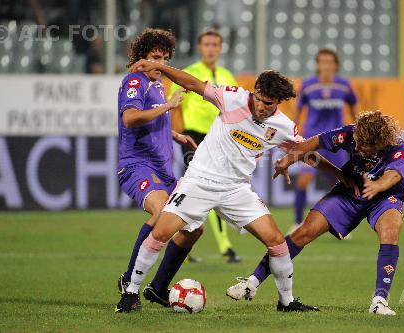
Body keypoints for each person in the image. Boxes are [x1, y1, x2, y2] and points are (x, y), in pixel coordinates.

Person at [115, 58, 321, 313]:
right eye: (258, 98)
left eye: (268, 103)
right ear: (254, 91)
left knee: (277, 241)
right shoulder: (232, 98)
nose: (260, 105)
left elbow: (309, 152)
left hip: (236, 189)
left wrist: (339, 175)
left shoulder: (283, 126)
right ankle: (131, 291)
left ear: (277, 103)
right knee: (160, 233)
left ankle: (287, 302)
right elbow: (192, 83)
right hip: (199, 182)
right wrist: (163, 69)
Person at [226, 111, 404, 316]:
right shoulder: (350, 133)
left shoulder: (399, 149)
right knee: (303, 232)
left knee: (390, 232)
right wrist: (287, 161)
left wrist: (378, 186)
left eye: (363, 146)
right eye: (356, 142)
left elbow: (394, 175)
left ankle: (379, 301)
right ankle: (251, 282)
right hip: (350, 192)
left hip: (385, 197)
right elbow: (312, 144)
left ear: (379, 143)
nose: (357, 147)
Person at [115, 28, 201, 312]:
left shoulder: (158, 82)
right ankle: (129, 283)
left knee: (193, 227)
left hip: (163, 170)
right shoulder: (135, 81)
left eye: (164, 58)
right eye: (155, 57)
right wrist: (168, 106)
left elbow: (152, 121)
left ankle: (159, 287)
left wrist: (175, 135)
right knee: (163, 212)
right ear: (142, 57)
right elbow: (129, 119)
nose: (160, 64)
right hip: (137, 166)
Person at [169, 29, 241, 263]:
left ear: (220, 48)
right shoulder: (188, 74)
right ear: (200, 48)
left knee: (212, 188)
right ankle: (221, 246)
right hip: (193, 138)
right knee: (199, 187)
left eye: (215, 45)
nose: (211, 49)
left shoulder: (227, 75)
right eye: (207, 44)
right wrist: (177, 135)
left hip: (220, 140)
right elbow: (174, 107)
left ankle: (201, 241)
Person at [293, 49, 358, 229]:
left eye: (330, 62)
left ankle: (341, 223)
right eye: (323, 62)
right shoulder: (308, 85)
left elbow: (354, 108)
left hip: (336, 142)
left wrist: (358, 132)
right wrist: (293, 133)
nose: (326, 66)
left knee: (339, 183)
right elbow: (298, 110)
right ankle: (298, 222)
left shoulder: (344, 85)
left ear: (336, 65)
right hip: (312, 141)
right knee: (303, 181)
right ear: (317, 64)